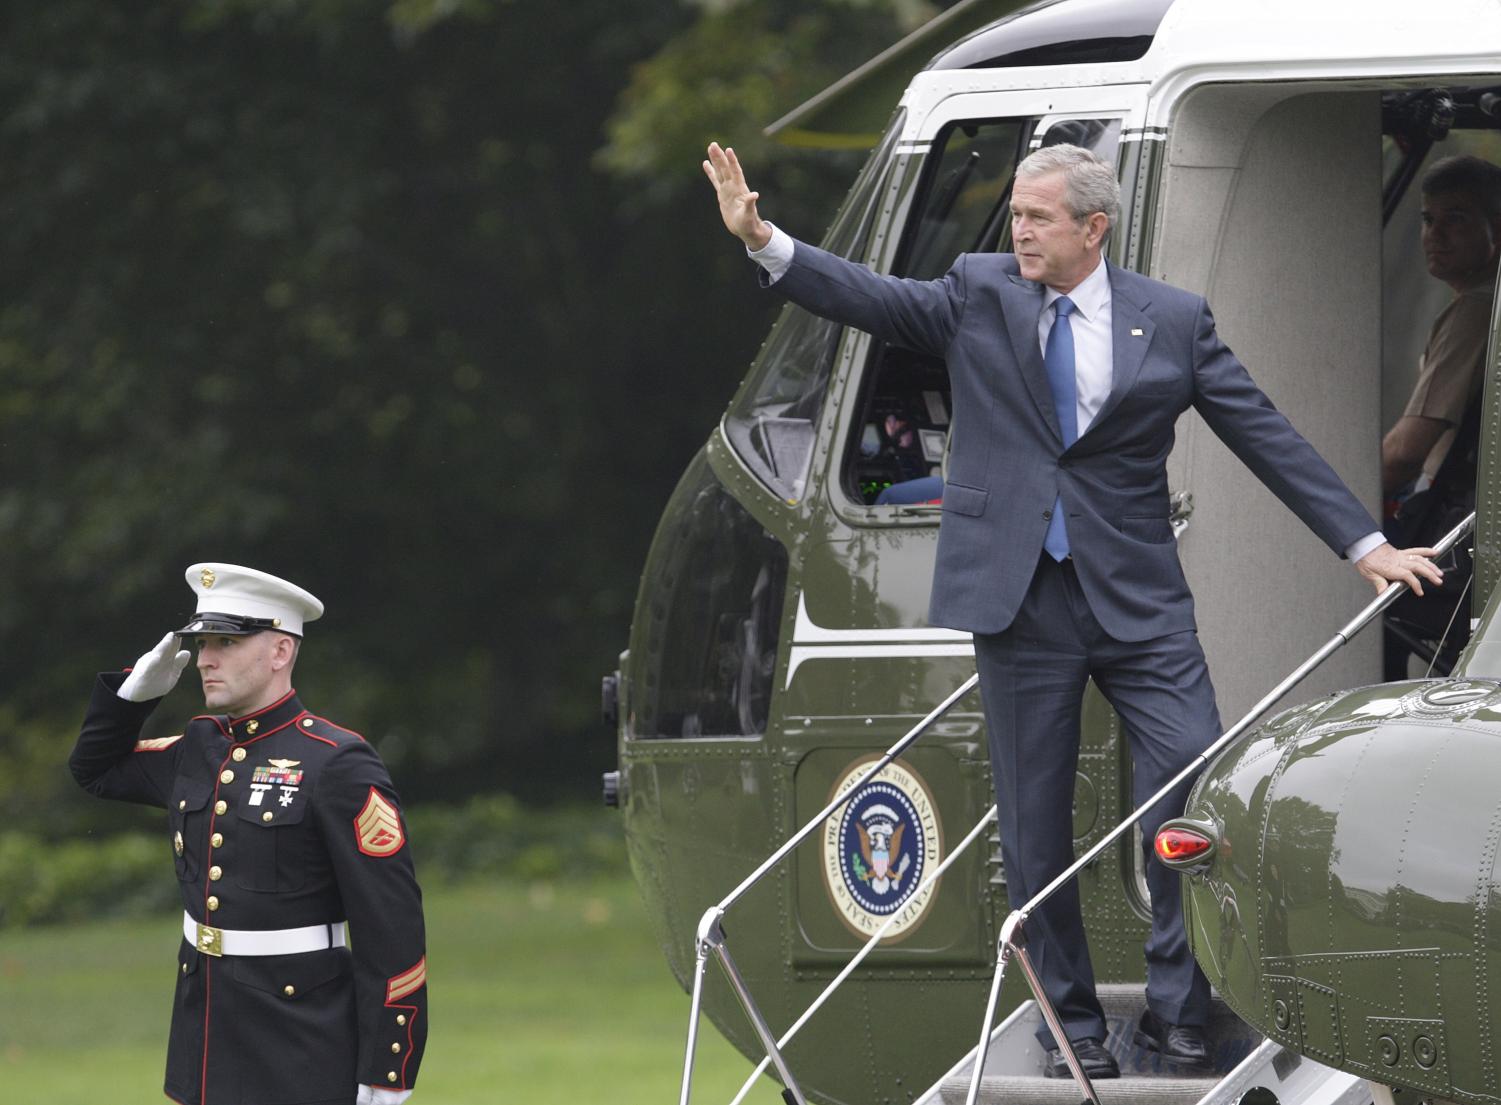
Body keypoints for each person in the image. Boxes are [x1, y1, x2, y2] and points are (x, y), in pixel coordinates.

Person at [703, 141, 1442, 1078]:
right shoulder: (979, 290)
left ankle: (1180, 1010)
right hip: (1019, 601)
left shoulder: (1169, 321)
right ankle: (1069, 1024)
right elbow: (872, 299)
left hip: (1138, 601)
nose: (1017, 230)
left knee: (1188, 791)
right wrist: (766, 240)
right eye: (1014, 214)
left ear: (1093, 228)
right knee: (1032, 824)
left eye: (1036, 217)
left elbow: (1263, 431)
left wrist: (1362, 545)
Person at [69, 563, 428, 1105]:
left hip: (299, 1035)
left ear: (280, 651)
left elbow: (391, 929)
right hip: (204, 1028)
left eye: (227, 642)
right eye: (202, 642)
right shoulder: (199, 748)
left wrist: (387, 1071)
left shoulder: (336, 763)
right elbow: (94, 770)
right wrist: (132, 697)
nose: (206, 659)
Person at [1381, 155, 1501, 677]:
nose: (1437, 234)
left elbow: (1406, 452)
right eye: (1429, 219)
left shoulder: (1478, 307)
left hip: (1457, 532)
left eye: (1458, 218)